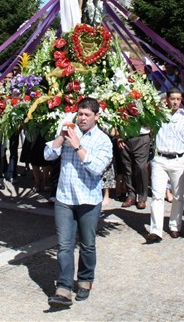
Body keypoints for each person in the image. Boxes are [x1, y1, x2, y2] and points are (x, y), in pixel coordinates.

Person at [44, 97, 113, 309]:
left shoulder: (103, 140)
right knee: (64, 245)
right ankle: (63, 288)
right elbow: (47, 155)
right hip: (64, 198)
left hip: (88, 200)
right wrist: (60, 138)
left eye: (86, 115)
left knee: (87, 244)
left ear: (96, 117)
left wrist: (77, 146)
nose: (82, 118)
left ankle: (85, 279)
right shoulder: (68, 133)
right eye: (80, 114)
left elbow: (97, 168)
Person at [145, 89, 184, 243]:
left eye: (178, 99)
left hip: (178, 159)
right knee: (157, 195)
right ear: (166, 99)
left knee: (178, 196)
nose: (175, 102)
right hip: (160, 159)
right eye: (172, 99)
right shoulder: (158, 115)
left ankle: (174, 225)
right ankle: (155, 230)